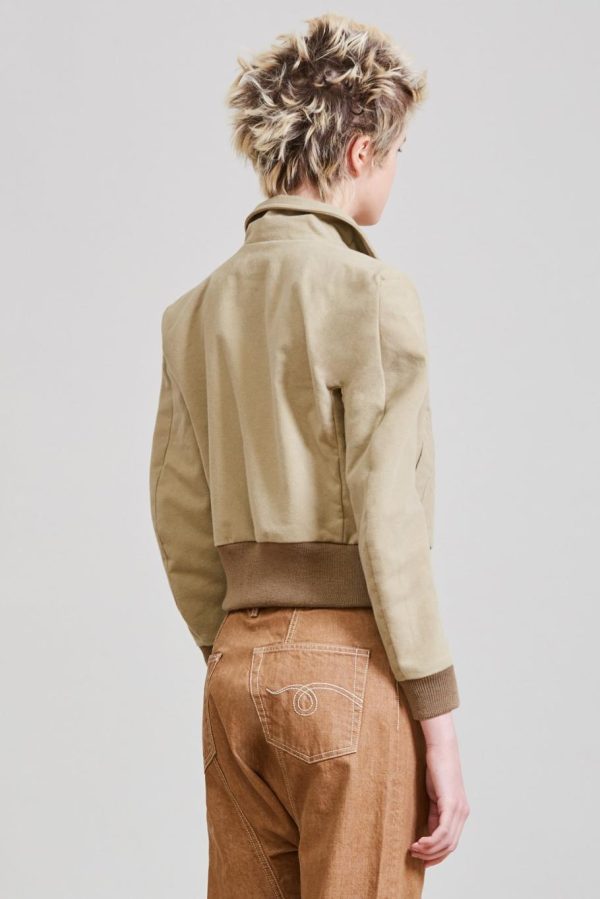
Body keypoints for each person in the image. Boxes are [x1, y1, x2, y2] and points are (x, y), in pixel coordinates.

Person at [149, 12, 469, 897]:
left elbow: (177, 514)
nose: (395, 170)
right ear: (361, 151)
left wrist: (238, 645)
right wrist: (438, 718)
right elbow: (390, 520)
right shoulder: (371, 293)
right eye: (396, 153)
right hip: (352, 669)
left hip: (235, 672)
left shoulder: (192, 314)